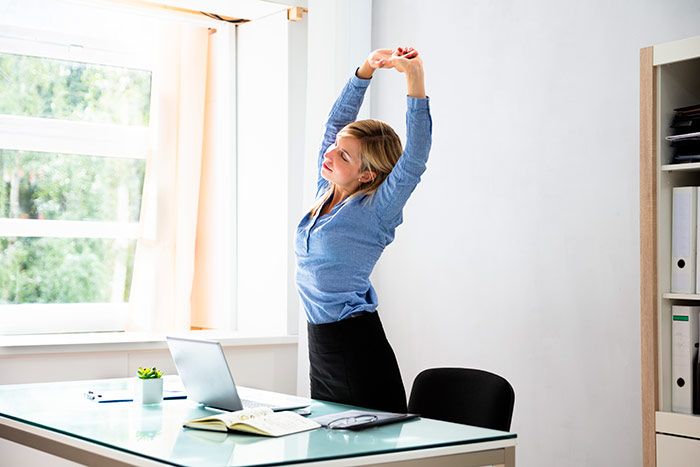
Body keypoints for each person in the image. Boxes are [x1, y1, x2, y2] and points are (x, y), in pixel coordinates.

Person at [295, 46, 432, 413]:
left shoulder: (377, 210)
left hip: (356, 346)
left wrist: (414, 78)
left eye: (343, 155)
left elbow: (415, 158)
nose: (329, 154)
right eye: (336, 148)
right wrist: (366, 69)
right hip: (320, 343)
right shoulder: (326, 190)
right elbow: (334, 124)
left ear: (367, 174)